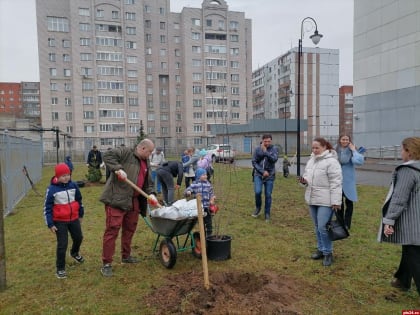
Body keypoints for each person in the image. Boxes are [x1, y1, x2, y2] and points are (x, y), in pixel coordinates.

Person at [99, 139, 157, 277]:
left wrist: (152, 194)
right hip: (117, 199)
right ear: (143, 148)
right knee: (112, 230)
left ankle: (126, 255)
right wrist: (118, 168)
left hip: (134, 201)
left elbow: (148, 183)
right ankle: (106, 263)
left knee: (130, 229)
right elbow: (107, 156)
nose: (150, 155)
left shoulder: (146, 162)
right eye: (149, 152)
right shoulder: (125, 152)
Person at [378, 137, 420, 295]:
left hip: (413, 222)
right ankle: (402, 280)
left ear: (409, 152)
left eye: (402, 149)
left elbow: (399, 199)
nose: (401, 153)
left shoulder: (407, 171)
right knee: (410, 249)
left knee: (414, 253)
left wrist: (389, 221)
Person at [298, 137, 342, 267]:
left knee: (323, 227)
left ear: (324, 147)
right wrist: (304, 181)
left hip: (326, 200)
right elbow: (307, 176)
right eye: (313, 148)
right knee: (317, 226)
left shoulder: (332, 162)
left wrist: (336, 201)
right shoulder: (311, 160)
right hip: (312, 198)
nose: (314, 150)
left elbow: (336, 183)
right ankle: (321, 249)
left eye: (317, 147)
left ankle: (328, 253)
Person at [43, 163, 85, 279]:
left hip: (73, 219)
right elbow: (47, 208)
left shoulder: (74, 185)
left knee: (78, 237)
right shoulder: (52, 189)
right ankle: (60, 268)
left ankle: (74, 253)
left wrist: (80, 214)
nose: (66, 177)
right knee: (62, 244)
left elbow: (79, 200)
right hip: (59, 221)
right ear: (57, 176)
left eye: (68, 175)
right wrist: (50, 223)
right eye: (63, 175)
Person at [335, 134, 365, 229]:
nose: (345, 141)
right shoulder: (334, 150)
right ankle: (340, 222)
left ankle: (347, 224)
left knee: (349, 203)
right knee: (338, 203)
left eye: (346, 139)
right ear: (340, 140)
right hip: (337, 180)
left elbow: (359, 162)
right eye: (343, 139)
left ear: (349, 141)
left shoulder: (352, 150)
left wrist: (354, 150)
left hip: (348, 181)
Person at [251, 134, 279, 222]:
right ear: (262, 141)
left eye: (269, 141)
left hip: (270, 176)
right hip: (258, 175)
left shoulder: (274, 149)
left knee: (268, 194)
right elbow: (254, 162)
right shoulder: (257, 149)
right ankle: (258, 208)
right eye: (265, 141)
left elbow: (274, 159)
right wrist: (262, 172)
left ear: (271, 141)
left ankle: (267, 213)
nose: (267, 143)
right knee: (258, 192)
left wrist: (265, 151)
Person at [185, 168, 216, 236]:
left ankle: (209, 234)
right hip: (199, 208)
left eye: (206, 175)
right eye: (203, 175)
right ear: (198, 176)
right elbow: (188, 189)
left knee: (209, 222)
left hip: (206, 207)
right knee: (201, 222)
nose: (206, 176)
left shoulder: (208, 184)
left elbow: (211, 193)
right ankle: (203, 234)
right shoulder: (195, 184)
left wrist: (212, 199)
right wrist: (188, 192)